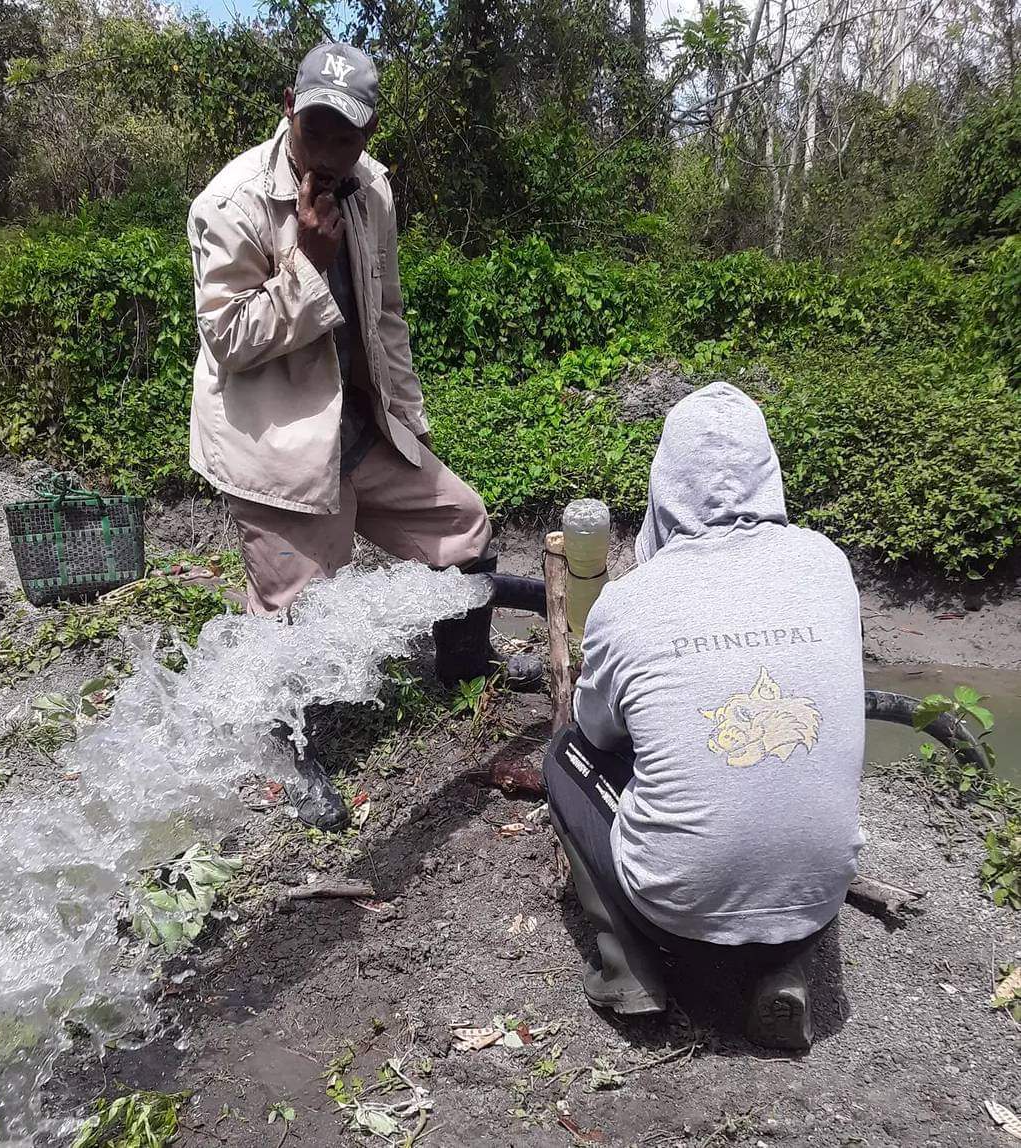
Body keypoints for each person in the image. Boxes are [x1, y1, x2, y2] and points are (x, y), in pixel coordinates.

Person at [187, 43, 509, 829]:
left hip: (361, 424)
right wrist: (306, 262)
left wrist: (410, 420)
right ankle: (295, 753)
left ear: (367, 134)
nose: (328, 152)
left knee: (462, 524)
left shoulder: (373, 190)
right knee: (297, 613)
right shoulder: (227, 204)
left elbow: (385, 312)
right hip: (278, 444)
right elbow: (227, 339)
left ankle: (461, 667)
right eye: (316, 129)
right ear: (291, 109)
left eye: (346, 136)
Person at [543, 381, 865, 1050]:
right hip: (816, 899)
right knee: (786, 790)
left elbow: (597, 733)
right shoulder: (825, 566)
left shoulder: (630, 603)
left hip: (675, 914)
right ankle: (781, 965)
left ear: (665, 484)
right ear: (769, 474)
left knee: (564, 756)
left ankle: (628, 970)